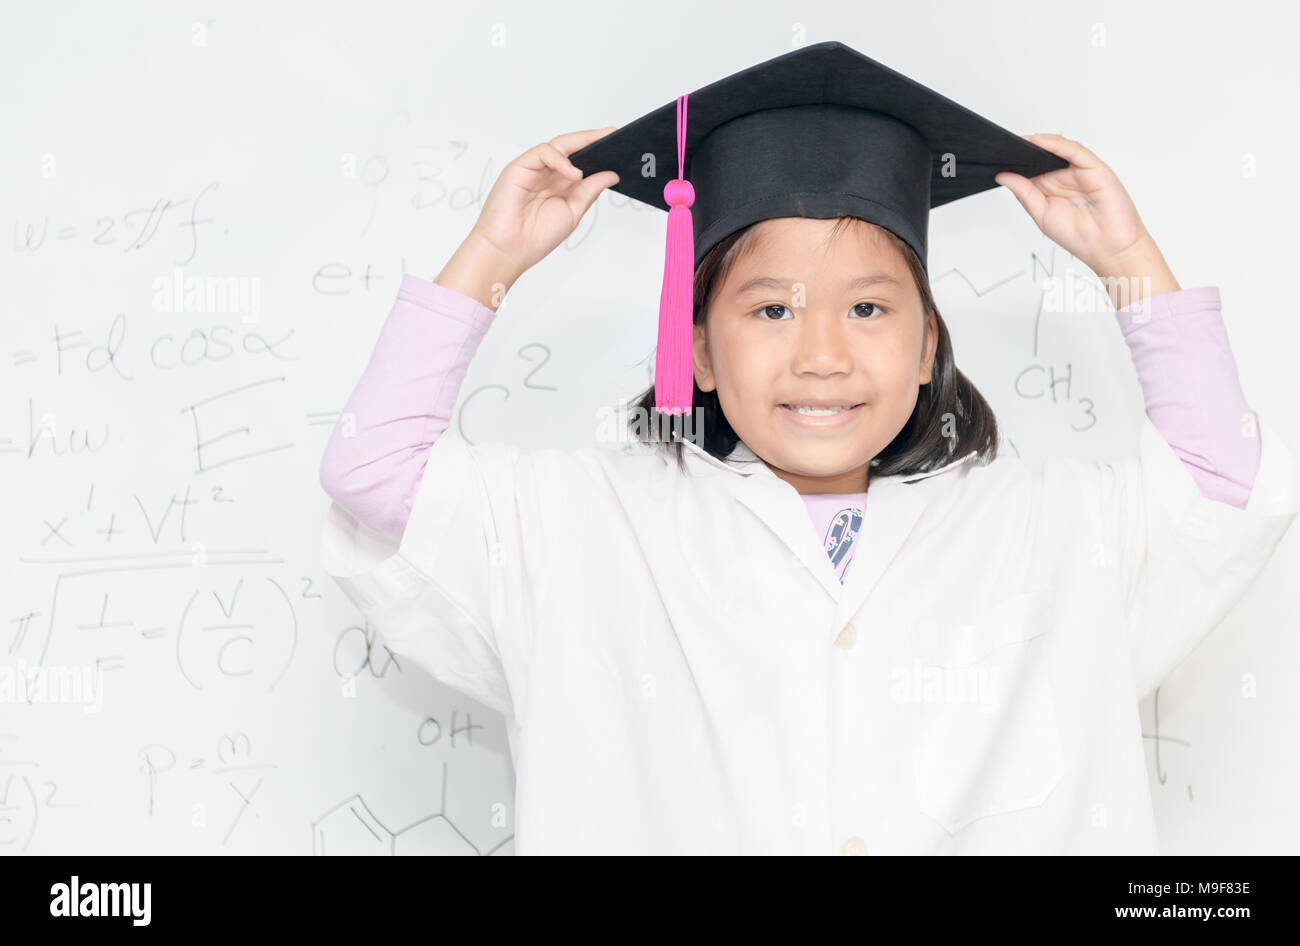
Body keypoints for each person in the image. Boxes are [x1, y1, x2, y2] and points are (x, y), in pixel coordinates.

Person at [318, 42, 1300, 854]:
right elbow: (376, 473)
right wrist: (490, 258)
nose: (821, 353)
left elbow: (1223, 486)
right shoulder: (578, 526)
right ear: (696, 349)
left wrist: (1128, 264)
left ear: (925, 346)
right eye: (771, 307)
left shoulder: (1046, 531)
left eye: (868, 307)